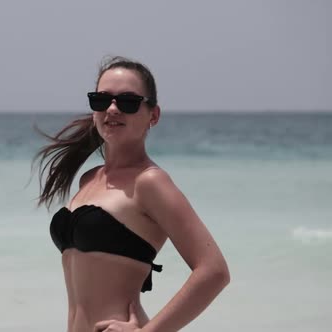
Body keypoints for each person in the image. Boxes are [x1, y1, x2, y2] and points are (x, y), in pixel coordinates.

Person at [33, 56, 230, 332]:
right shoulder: (90, 179)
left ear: (153, 115)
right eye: (102, 100)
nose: (112, 109)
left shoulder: (150, 182)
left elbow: (214, 271)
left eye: (127, 102)